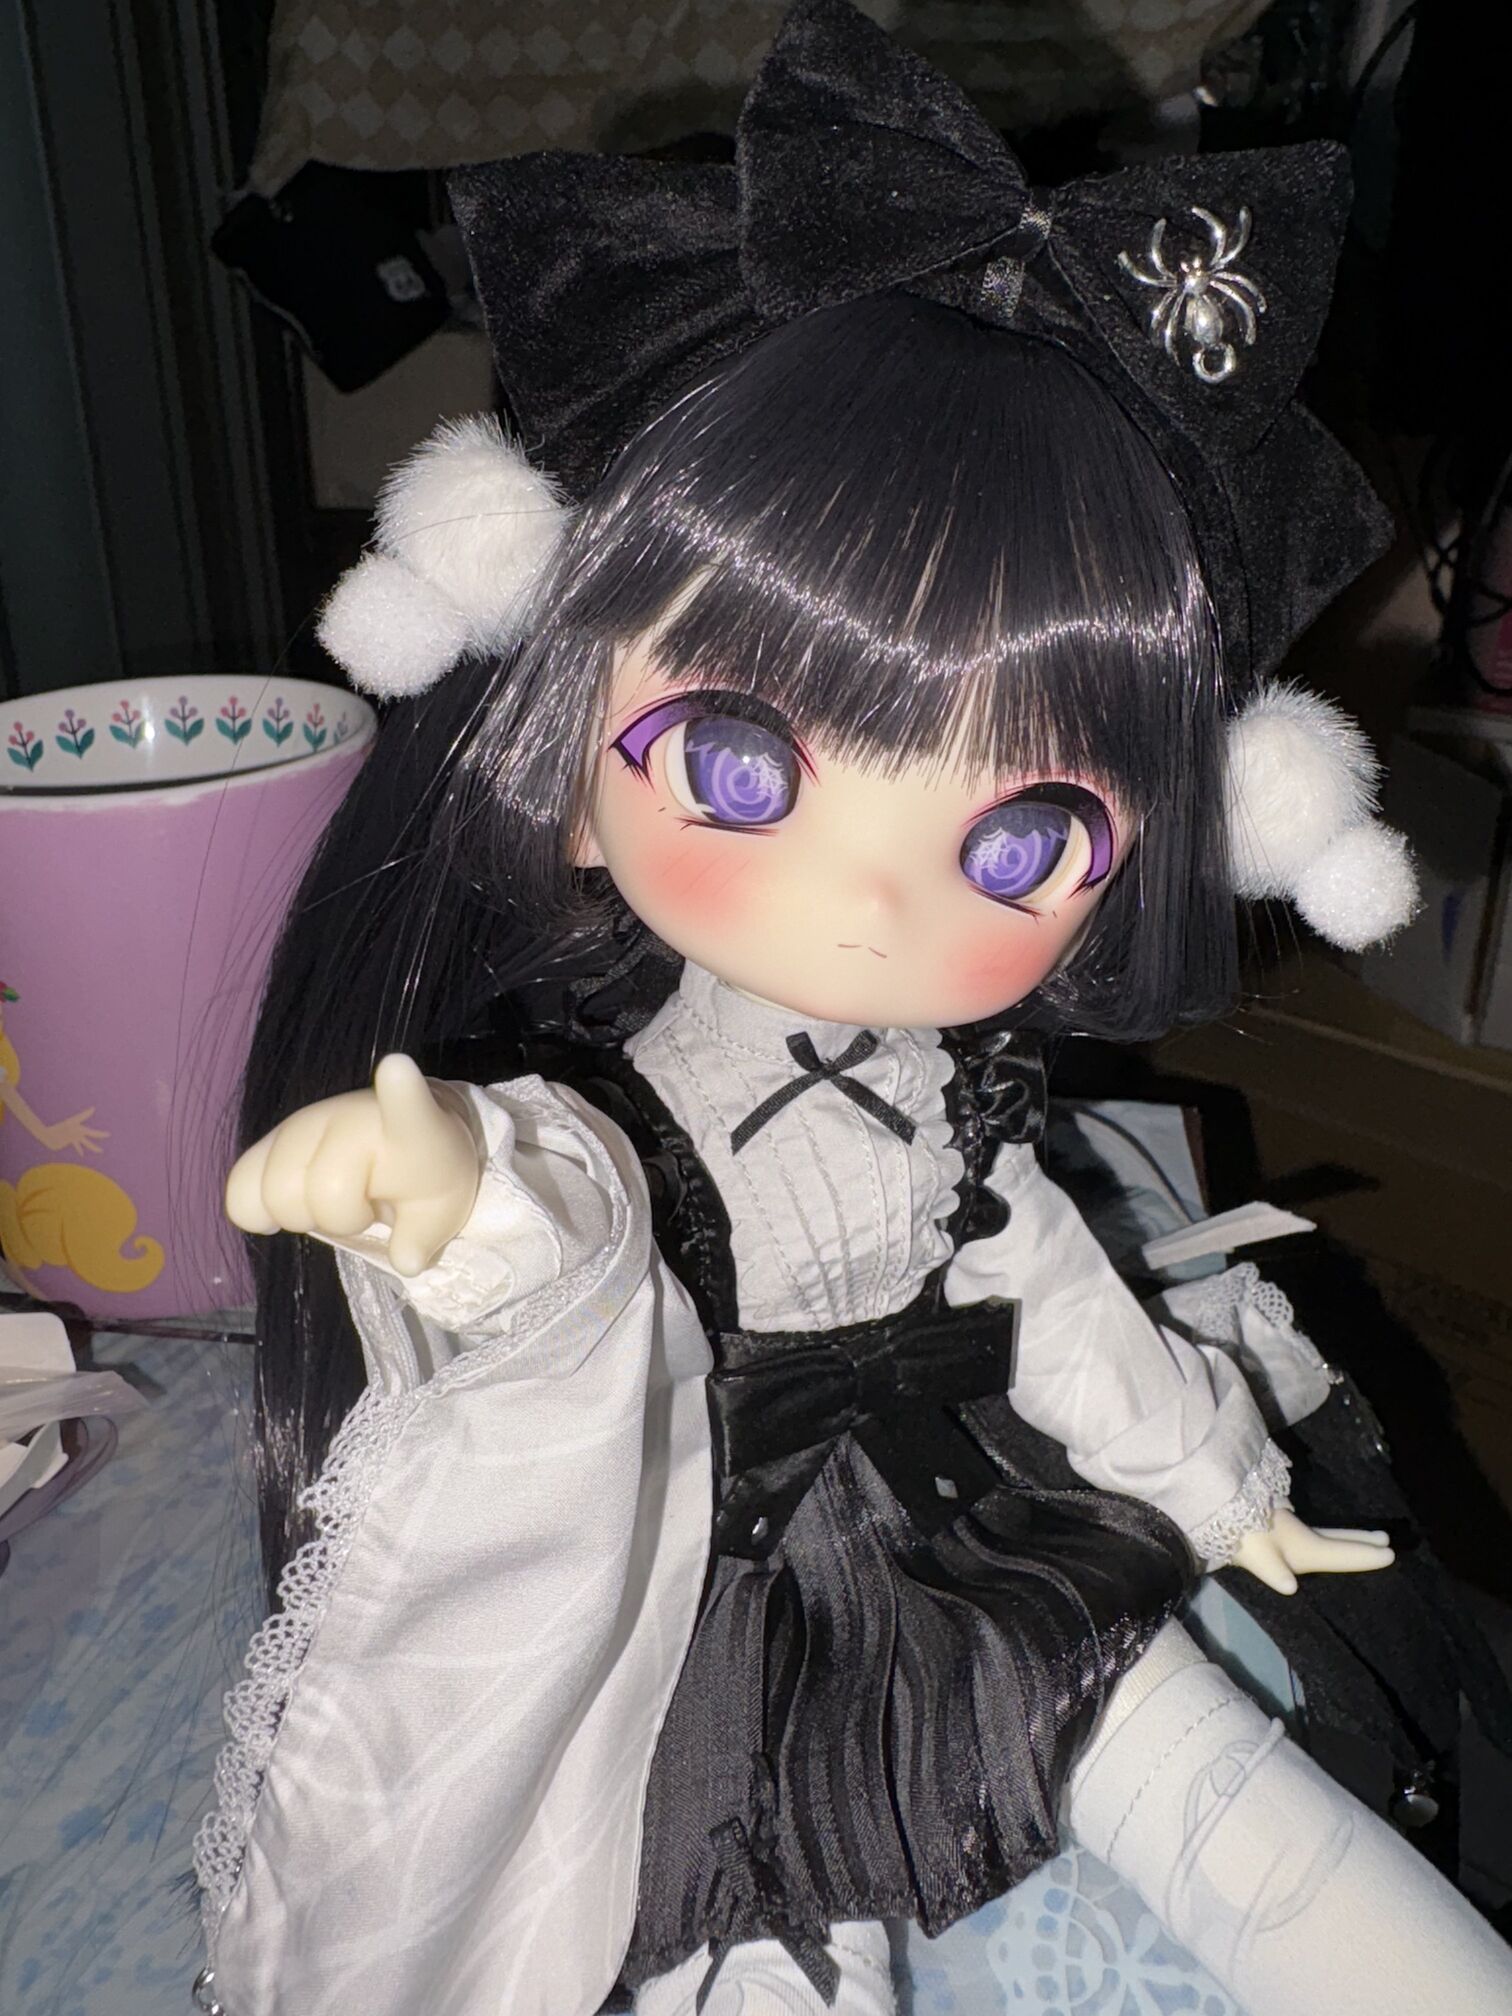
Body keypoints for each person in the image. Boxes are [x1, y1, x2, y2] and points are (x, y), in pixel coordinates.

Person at [192, 7, 1509, 2014]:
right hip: (721, 1581)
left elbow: (1055, 1294)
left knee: (1231, 1801)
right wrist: (458, 1191)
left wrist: (1225, 1487)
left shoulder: (958, 1104)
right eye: (743, 768)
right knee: (766, 1928)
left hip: (967, 1515)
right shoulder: (626, 1117)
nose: (878, 907)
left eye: (1023, 839)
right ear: (565, 757)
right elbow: (572, 1229)